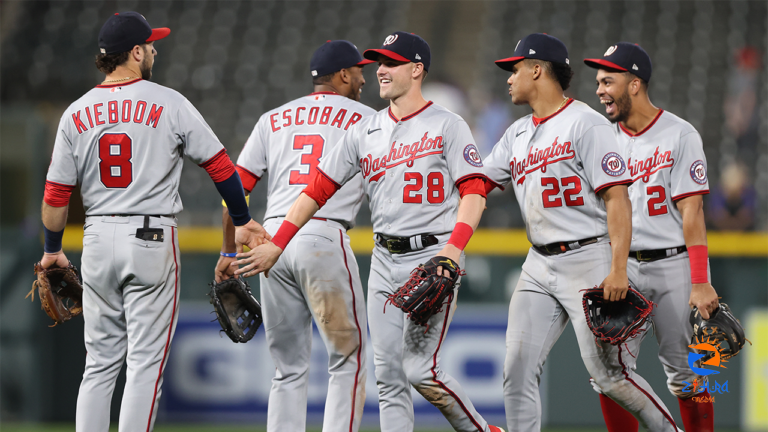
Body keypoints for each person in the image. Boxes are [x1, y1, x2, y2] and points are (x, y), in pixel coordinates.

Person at [233, 32, 504, 432]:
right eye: (379, 62)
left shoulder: (448, 124)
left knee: (419, 371)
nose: (381, 70)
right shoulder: (364, 129)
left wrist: (454, 249)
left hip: (432, 258)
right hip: (384, 260)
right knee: (387, 377)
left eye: (391, 63)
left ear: (416, 70)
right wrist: (279, 242)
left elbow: (475, 193)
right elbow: (316, 190)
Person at [39, 12, 266, 432]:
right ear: (136, 51)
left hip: (96, 238)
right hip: (150, 236)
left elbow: (55, 197)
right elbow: (221, 169)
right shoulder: (169, 102)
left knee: (100, 364)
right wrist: (242, 219)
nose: (155, 49)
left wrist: (53, 249)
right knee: (146, 364)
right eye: (150, 44)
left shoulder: (76, 112)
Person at [484, 33, 679, 431]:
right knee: (516, 371)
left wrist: (619, 268)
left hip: (587, 259)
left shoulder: (586, 124)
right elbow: (475, 183)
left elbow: (618, 201)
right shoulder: (516, 133)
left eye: (515, 68)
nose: (509, 77)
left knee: (610, 377)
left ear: (537, 70)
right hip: (537, 263)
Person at [215, 40, 375, 432]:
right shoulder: (370, 118)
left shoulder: (274, 118)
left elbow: (236, 189)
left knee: (287, 369)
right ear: (342, 76)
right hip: (323, 236)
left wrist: (228, 251)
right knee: (348, 359)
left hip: (269, 245)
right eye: (358, 71)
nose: (364, 77)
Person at [585, 41, 720, 432]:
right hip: (621, 265)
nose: (599, 90)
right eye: (597, 81)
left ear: (634, 84)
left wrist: (700, 280)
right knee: (607, 372)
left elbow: (692, 212)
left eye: (608, 80)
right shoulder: (600, 138)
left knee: (691, 374)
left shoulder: (680, 134)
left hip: (675, 266)